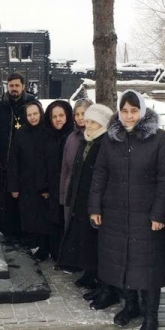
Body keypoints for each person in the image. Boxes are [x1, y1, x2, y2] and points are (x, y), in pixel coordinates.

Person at [89, 90, 165, 330]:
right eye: (124, 110)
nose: (129, 116)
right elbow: (100, 174)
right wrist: (95, 207)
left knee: (148, 265)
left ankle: (151, 317)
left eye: (134, 111)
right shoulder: (111, 139)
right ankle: (131, 305)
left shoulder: (159, 139)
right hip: (115, 212)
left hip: (146, 215)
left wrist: (159, 213)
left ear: (143, 111)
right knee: (122, 261)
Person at [58, 104, 120, 310]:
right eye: (88, 120)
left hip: (99, 204)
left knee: (101, 248)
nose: (88, 124)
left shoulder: (105, 142)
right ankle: (98, 283)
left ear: (103, 123)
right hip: (84, 200)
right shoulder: (89, 140)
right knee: (90, 244)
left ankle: (107, 289)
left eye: (93, 121)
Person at [0, 72, 37, 241]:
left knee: (24, 198)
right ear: (7, 86)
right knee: (6, 198)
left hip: (26, 161)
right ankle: (7, 231)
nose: (14, 89)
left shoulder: (32, 104)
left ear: (23, 86)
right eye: (11, 86)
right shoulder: (0, 106)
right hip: (5, 158)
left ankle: (24, 231)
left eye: (17, 85)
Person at [7, 101, 49, 260]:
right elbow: (14, 161)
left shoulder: (48, 131)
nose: (32, 117)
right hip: (26, 182)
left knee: (44, 216)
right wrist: (14, 186)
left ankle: (44, 246)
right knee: (29, 215)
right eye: (29, 115)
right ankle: (33, 242)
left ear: (41, 113)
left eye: (35, 114)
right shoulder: (21, 133)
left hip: (44, 183)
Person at [59, 98, 93, 261]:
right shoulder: (71, 138)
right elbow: (65, 169)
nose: (80, 117)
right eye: (77, 114)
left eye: (83, 113)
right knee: (71, 227)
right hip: (71, 190)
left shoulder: (95, 137)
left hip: (87, 192)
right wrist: (63, 195)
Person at [42, 100, 74, 261]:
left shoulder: (74, 136)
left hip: (68, 186)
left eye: (61, 115)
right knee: (54, 220)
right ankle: (55, 253)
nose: (58, 119)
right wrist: (44, 187)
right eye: (54, 116)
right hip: (53, 186)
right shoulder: (46, 136)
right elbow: (41, 163)